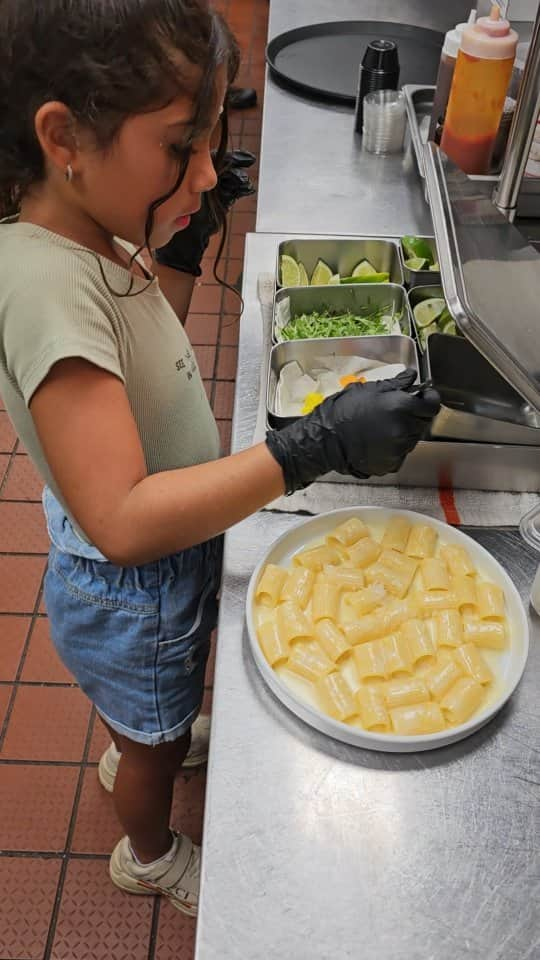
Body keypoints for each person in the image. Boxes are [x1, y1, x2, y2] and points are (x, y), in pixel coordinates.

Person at [0, 0, 440, 917]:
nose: (203, 170)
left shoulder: (81, 224)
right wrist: (308, 446)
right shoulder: (40, 287)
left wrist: (187, 244)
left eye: (211, 144)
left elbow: (135, 327)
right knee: (153, 742)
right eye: (178, 149)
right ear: (63, 135)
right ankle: (149, 848)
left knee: (157, 706)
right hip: (134, 585)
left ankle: (144, 724)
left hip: (167, 555)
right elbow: (119, 520)